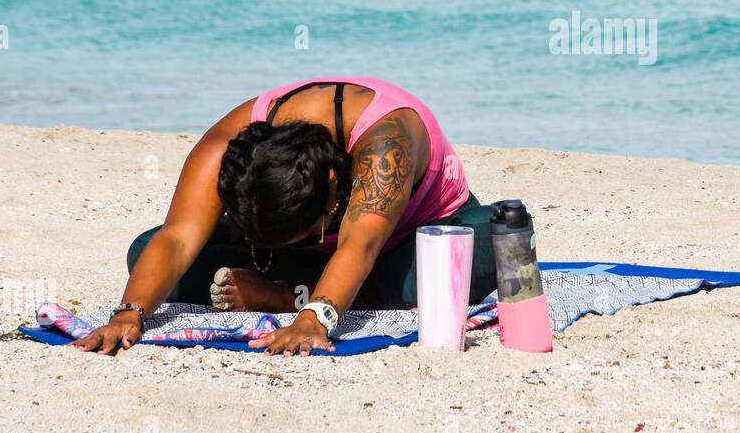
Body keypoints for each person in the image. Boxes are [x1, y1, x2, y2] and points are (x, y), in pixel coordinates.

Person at [72, 77, 497, 357]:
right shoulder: (229, 143)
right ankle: (292, 279)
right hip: (287, 255)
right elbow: (179, 237)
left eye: (310, 231)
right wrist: (130, 312)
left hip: (397, 247)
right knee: (146, 251)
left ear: (333, 184)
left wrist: (312, 319)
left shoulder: (386, 138)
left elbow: (360, 243)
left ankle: (282, 294)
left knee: (484, 248)